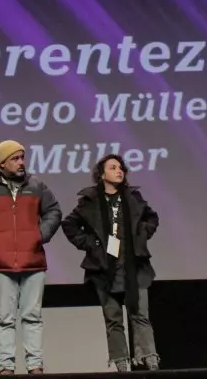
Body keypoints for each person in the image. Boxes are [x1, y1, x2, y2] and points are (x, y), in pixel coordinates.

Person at [0, 140, 62, 375]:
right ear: (2, 163)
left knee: (32, 316)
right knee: (4, 319)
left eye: (22, 157)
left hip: (33, 261)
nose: (21, 162)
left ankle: (35, 365)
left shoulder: (36, 185)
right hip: (0, 264)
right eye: (15, 158)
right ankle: (6, 367)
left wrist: (40, 235)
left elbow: (54, 211)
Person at [62, 154, 160, 372]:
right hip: (105, 269)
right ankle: (122, 365)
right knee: (113, 320)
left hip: (134, 266)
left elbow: (151, 217)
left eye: (121, 168)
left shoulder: (132, 197)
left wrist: (142, 234)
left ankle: (149, 360)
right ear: (101, 174)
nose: (119, 171)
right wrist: (91, 243)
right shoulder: (90, 201)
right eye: (113, 167)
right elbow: (69, 224)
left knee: (140, 315)